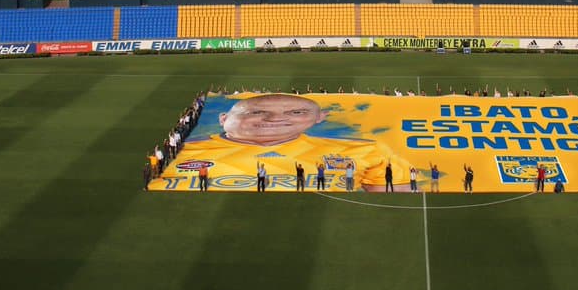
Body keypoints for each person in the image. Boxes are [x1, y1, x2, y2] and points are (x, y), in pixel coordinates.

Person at [164, 93, 411, 192]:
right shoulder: (182, 152)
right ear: (223, 118)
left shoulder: (366, 150)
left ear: (319, 118)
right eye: (256, 112)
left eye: (296, 112)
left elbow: (393, 204)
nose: (274, 120)